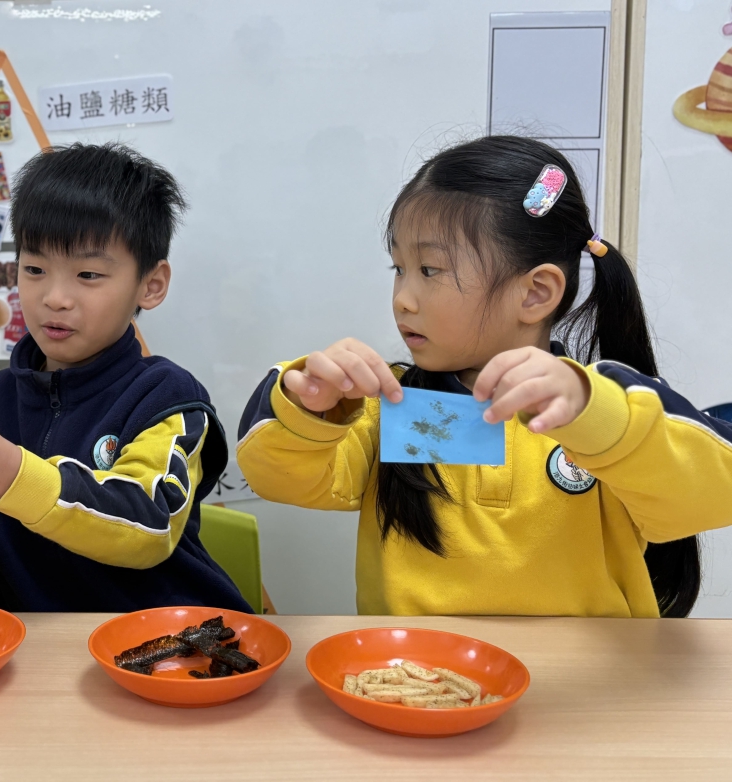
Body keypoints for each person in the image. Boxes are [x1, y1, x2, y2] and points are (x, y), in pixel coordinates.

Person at [236, 135, 732, 618]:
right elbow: (278, 477)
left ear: (535, 293)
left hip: (583, 674)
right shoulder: (391, 404)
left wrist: (596, 415)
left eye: (430, 270)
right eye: (399, 268)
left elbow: (709, 496)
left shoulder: (606, 410)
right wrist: (311, 409)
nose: (402, 299)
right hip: (420, 671)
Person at [0, 143, 250, 613]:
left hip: (168, 639)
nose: (55, 297)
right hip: (32, 650)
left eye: (88, 274)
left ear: (151, 284)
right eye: (35, 269)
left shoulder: (167, 396)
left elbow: (148, 527)